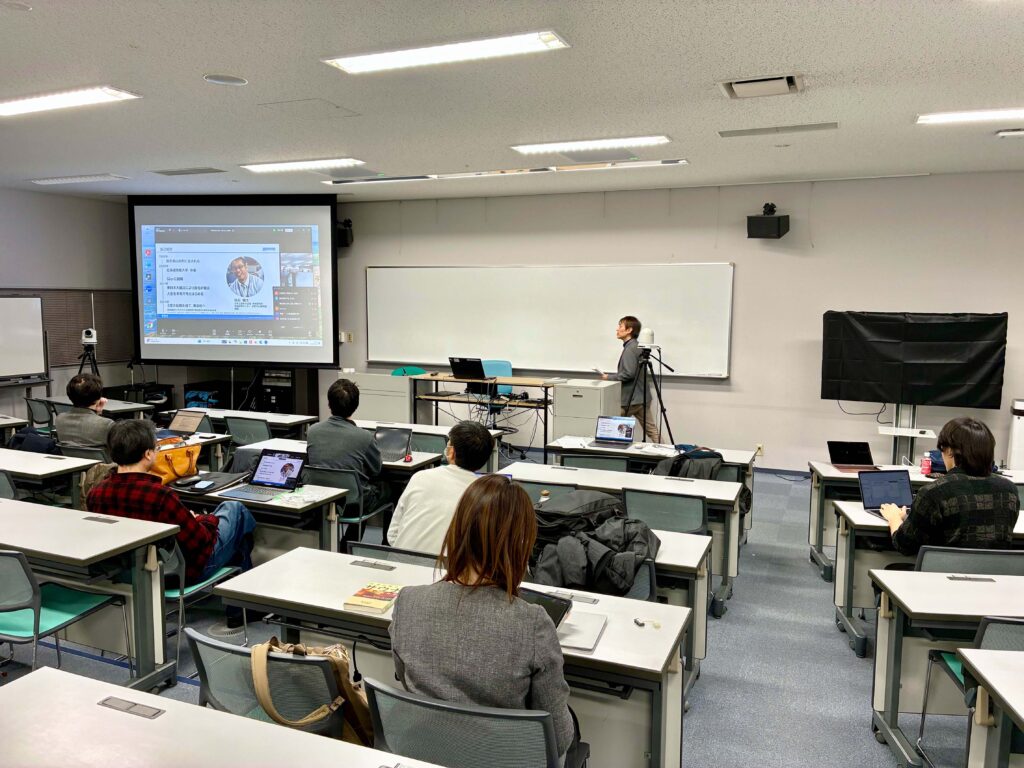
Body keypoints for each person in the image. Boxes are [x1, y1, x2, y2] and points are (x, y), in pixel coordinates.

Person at [389, 475, 576, 760]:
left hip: (424, 754)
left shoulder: (408, 602)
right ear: (521, 543)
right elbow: (558, 739)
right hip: (503, 759)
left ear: (457, 529)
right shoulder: (533, 623)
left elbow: (405, 679)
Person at [87, 420, 257, 590]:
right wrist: (203, 519)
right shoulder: (160, 496)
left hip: (124, 573)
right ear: (148, 454)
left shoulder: (96, 493)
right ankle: (243, 594)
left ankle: (239, 591)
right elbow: (201, 542)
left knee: (235, 534)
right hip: (175, 574)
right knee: (235, 510)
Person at [881, 417, 1019, 555]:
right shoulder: (1010, 490)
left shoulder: (934, 492)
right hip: (995, 569)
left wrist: (894, 518)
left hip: (945, 569)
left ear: (949, 451)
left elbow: (905, 545)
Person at [386, 421, 495, 553]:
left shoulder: (420, 477)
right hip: (450, 565)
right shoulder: (485, 494)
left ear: (452, 452)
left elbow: (392, 534)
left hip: (400, 560)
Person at [306, 378, 386, 511]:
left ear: (329, 404)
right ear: (356, 405)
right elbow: (376, 470)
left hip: (321, 500)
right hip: (353, 503)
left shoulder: (312, 431)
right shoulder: (364, 436)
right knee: (390, 488)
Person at [603, 315, 660, 443]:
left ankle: (614, 451)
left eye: (620, 326)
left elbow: (628, 374)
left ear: (629, 330)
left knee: (611, 426)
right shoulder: (637, 346)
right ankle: (665, 451)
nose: (617, 329)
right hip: (642, 398)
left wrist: (608, 377)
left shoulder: (629, 349)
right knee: (652, 430)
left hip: (631, 399)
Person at [55, 373, 113, 448]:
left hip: (69, 456)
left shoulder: (60, 419)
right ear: (98, 397)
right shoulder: (107, 424)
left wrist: (97, 412)